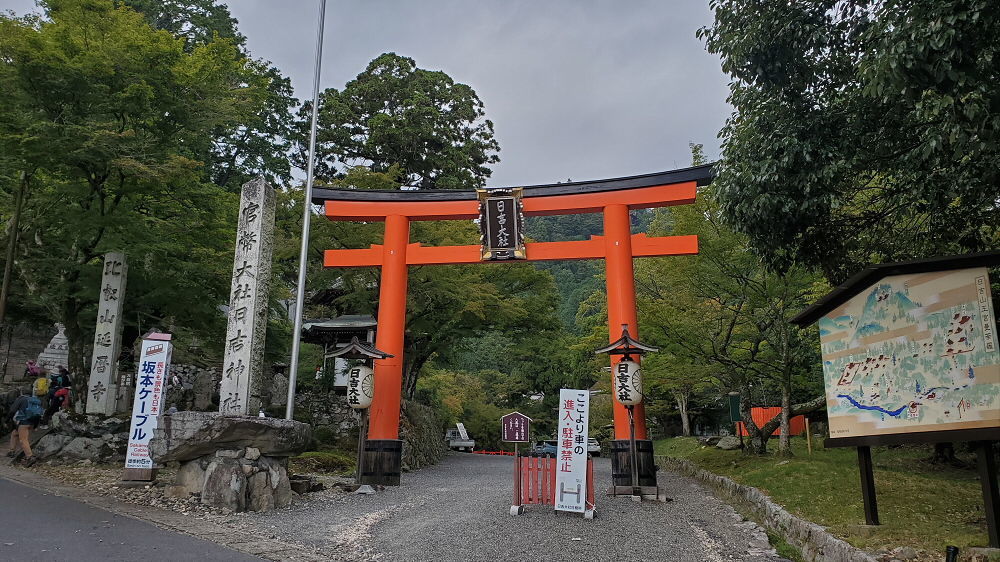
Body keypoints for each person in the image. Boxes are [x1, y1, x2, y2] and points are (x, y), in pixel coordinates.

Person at [7, 388, 42, 466]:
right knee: (14, 433)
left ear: (22, 393)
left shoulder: (21, 399)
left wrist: (7, 419)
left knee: (23, 440)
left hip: (23, 422)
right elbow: (38, 413)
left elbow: (12, 410)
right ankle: (12, 451)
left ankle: (30, 457)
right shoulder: (35, 400)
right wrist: (36, 425)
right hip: (32, 422)